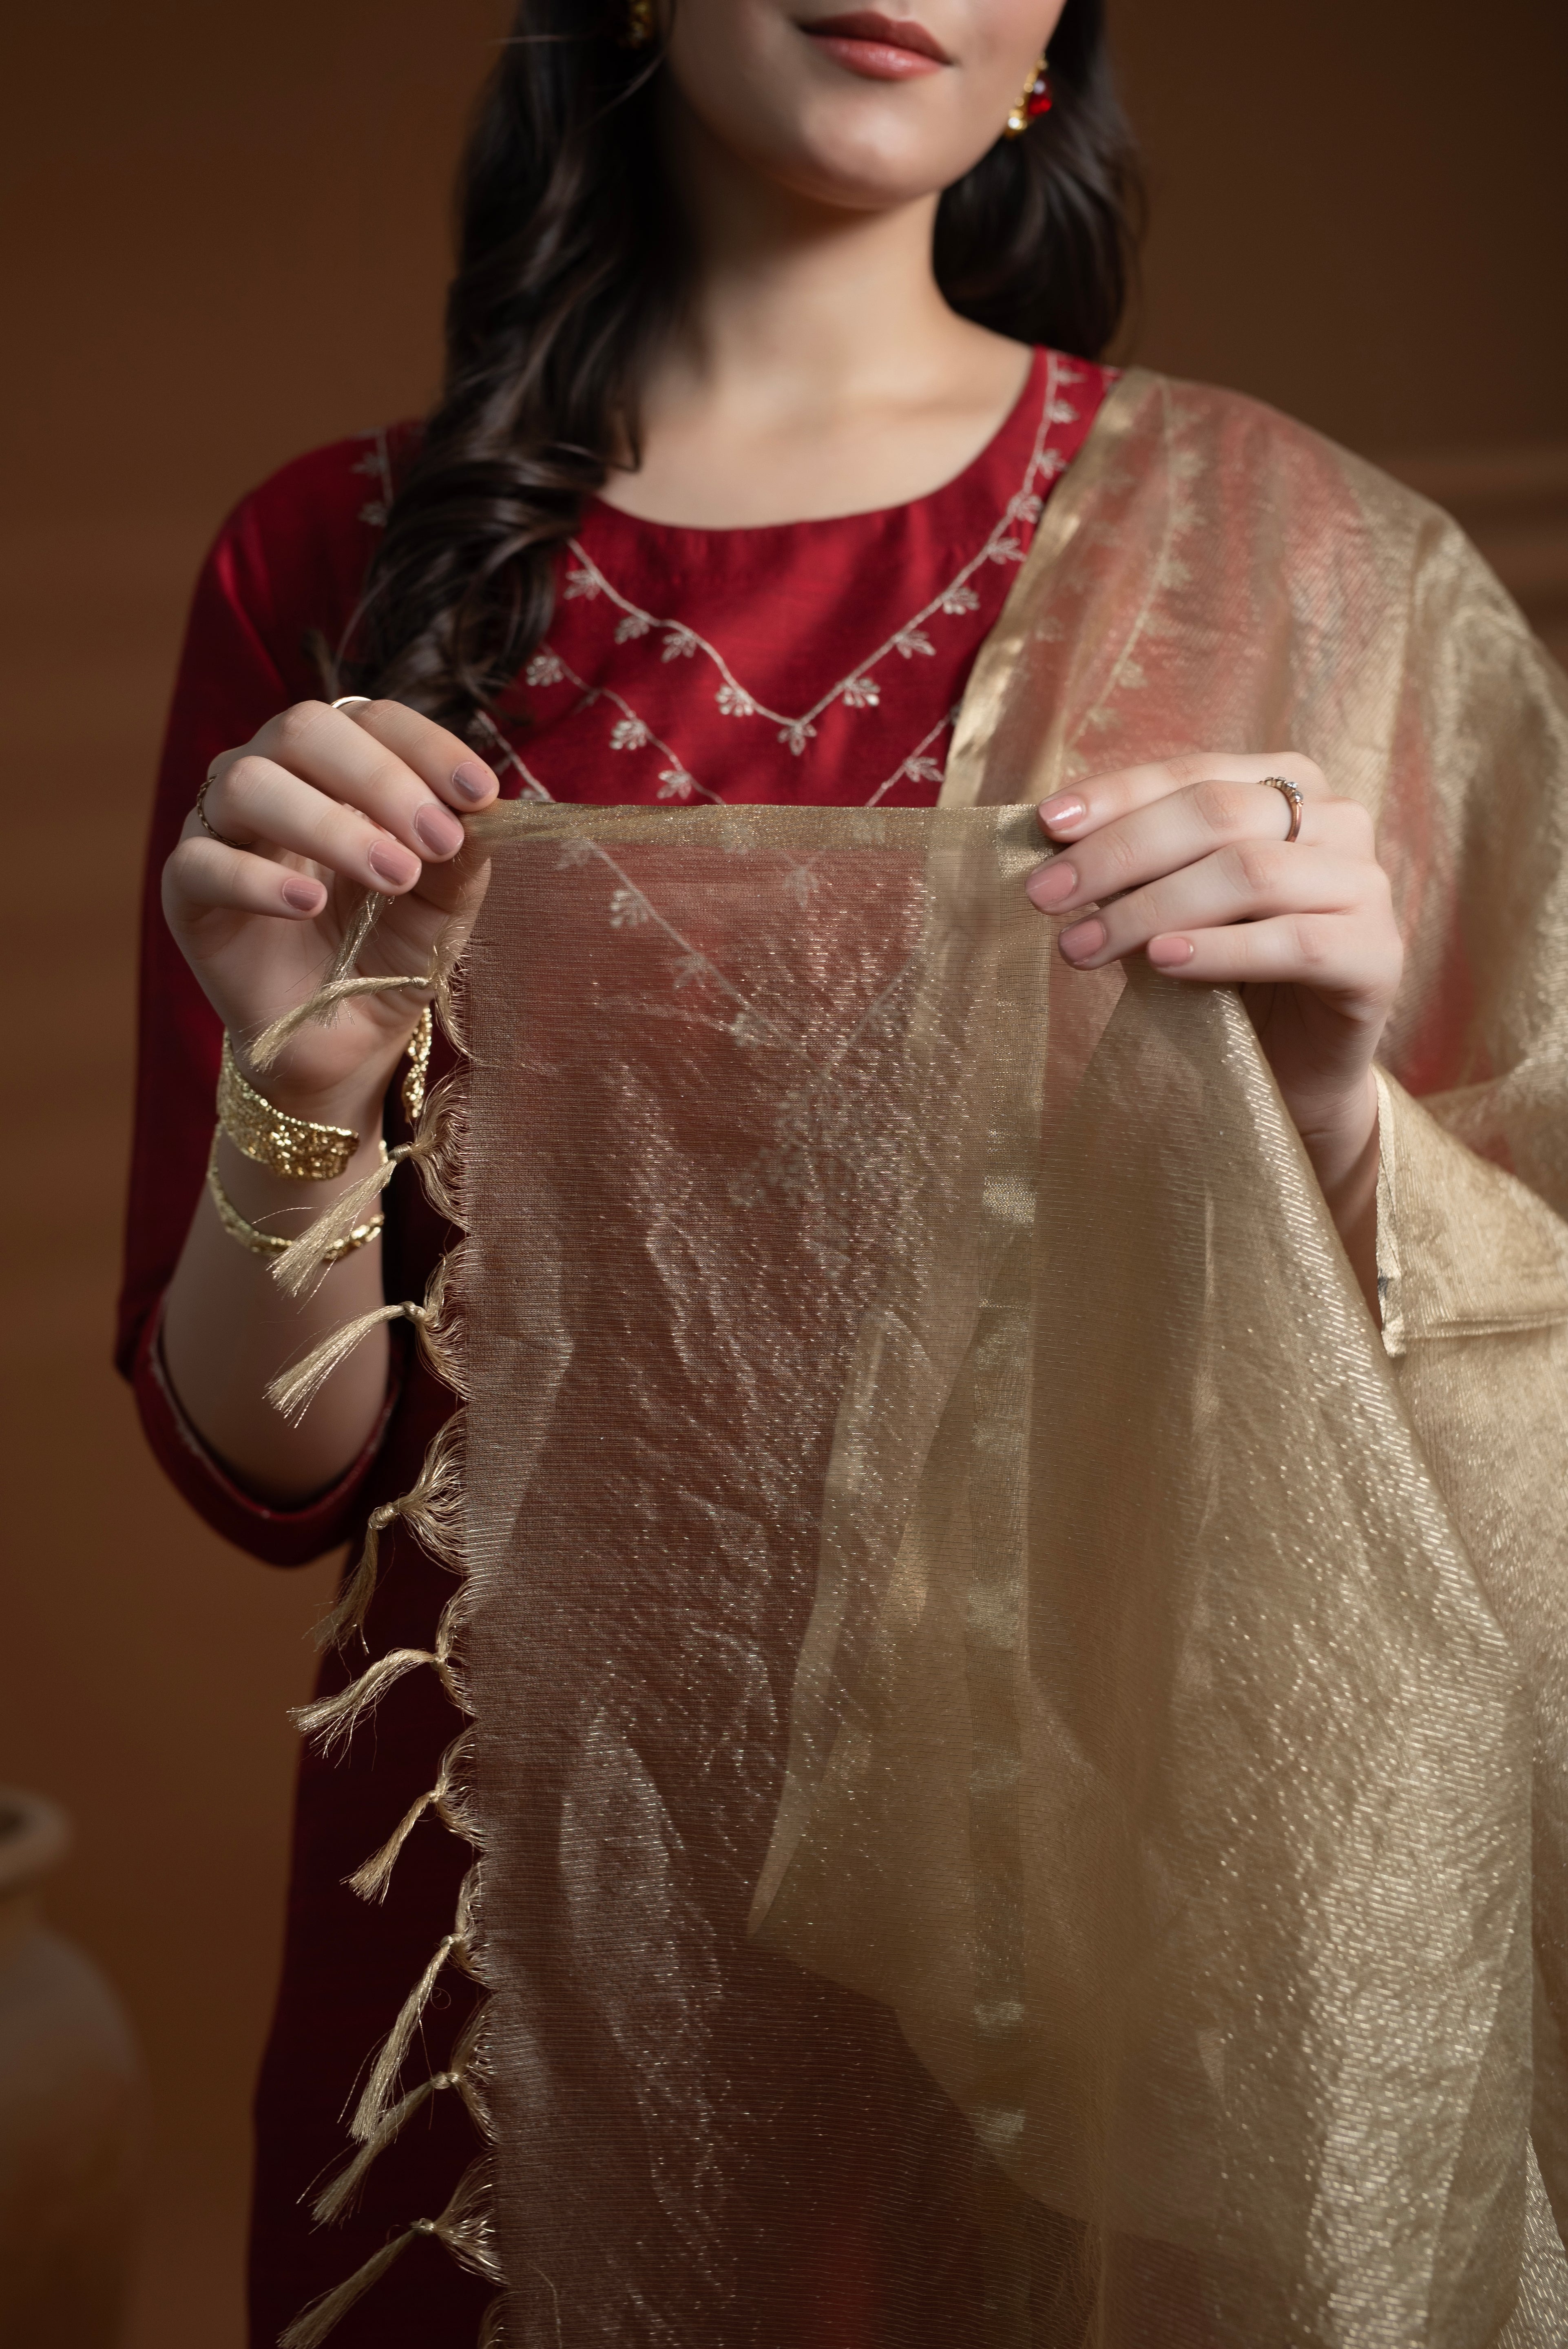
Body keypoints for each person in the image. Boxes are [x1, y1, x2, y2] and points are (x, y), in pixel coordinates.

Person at [120, 3, 1568, 2345]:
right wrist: (306, 1068)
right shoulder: (332, 558)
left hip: (1108, 1935)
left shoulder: (1313, 565)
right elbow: (277, 1459)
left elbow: (1520, 1352)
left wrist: (1323, 1117)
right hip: (511, 1952)